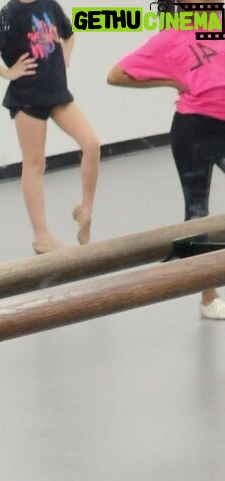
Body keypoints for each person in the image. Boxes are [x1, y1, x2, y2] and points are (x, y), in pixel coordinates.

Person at [108, 4, 225, 318]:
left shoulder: (217, 22)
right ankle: (207, 296)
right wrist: (170, 80)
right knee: (198, 212)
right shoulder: (170, 36)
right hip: (194, 130)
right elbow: (117, 74)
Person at [0, 1, 100, 253]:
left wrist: (66, 55)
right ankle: (41, 237)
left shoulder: (49, 4)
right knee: (35, 164)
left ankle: (85, 210)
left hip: (57, 94)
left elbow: (69, 34)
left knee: (91, 144)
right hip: (27, 98)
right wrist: (7, 72)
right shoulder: (7, 15)